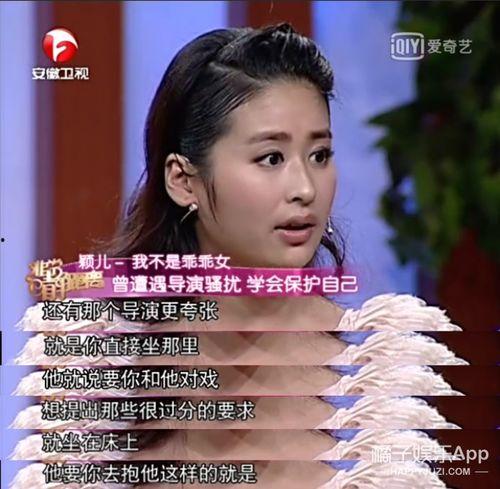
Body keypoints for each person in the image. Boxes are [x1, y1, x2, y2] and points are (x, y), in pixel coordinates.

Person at [11, 23, 462, 489]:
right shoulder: (100, 367)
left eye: (320, 155)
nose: (305, 189)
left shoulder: (373, 375)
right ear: (183, 181)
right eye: (271, 158)